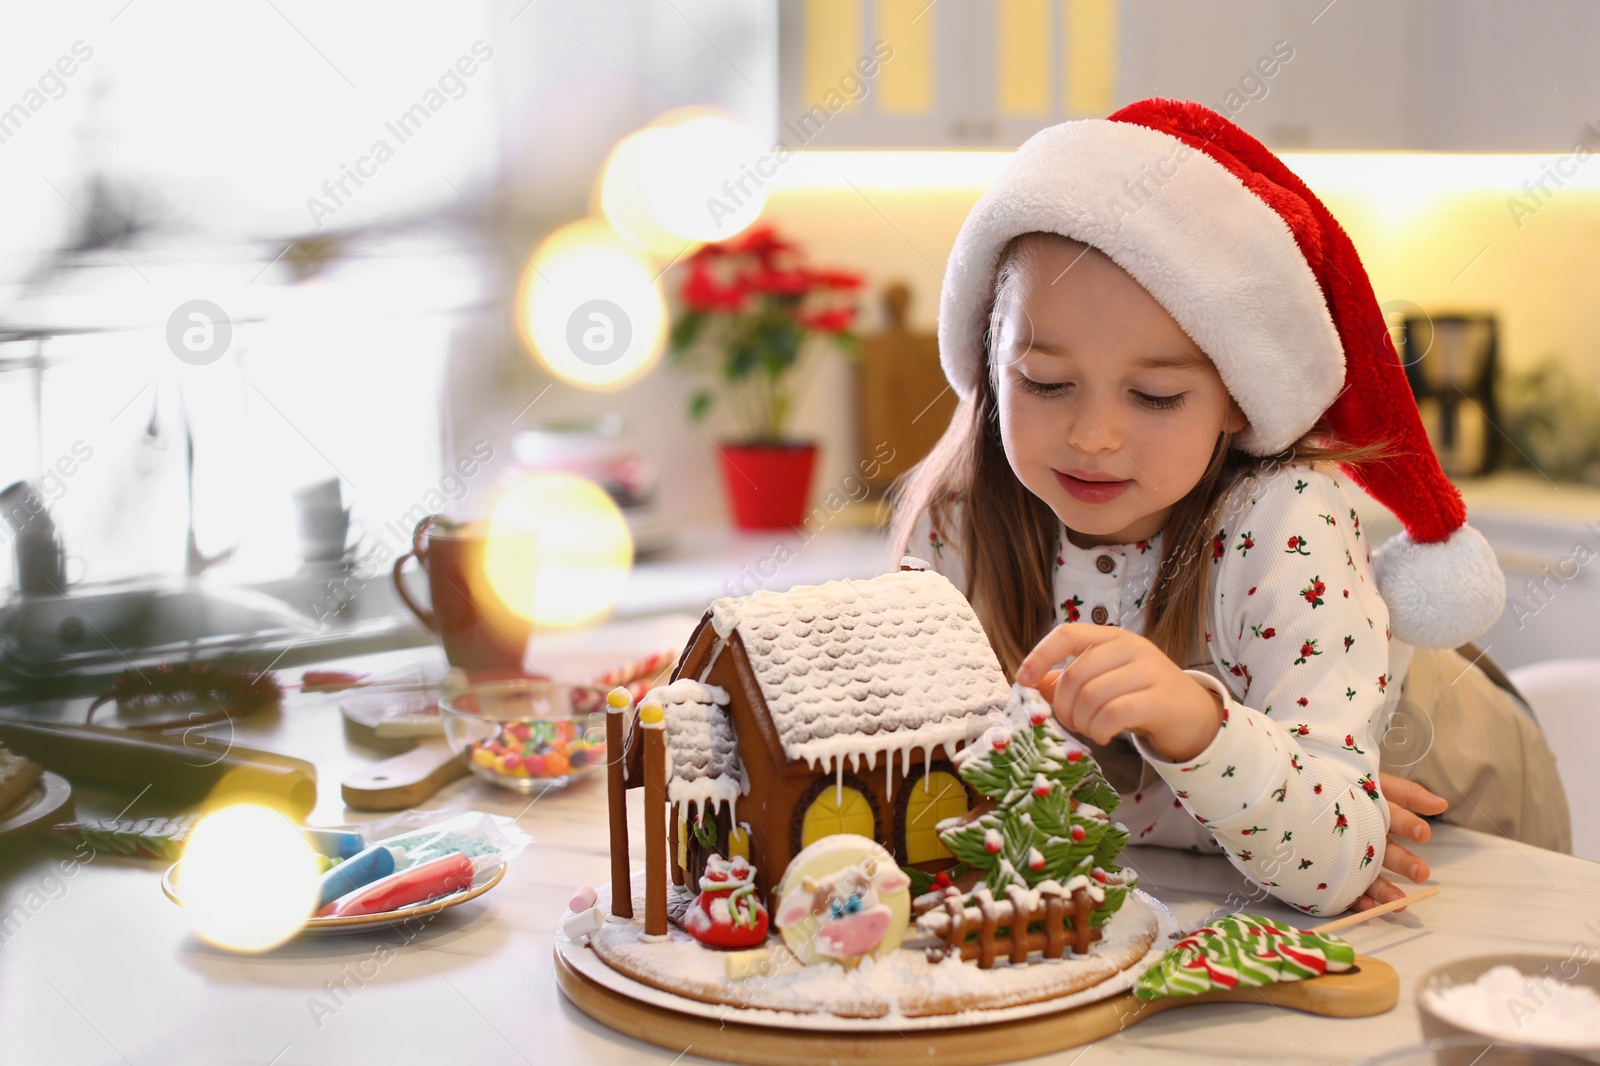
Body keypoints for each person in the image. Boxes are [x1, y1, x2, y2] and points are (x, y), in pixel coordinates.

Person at [893, 99, 1570, 916]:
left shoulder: (1288, 522)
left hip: (1463, 824)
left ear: (1238, 400)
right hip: (1257, 858)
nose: (1095, 436)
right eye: (1045, 383)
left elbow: (1333, 861)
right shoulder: (957, 519)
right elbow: (939, 795)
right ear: (988, 361)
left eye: (1155, 395)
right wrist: (1256, 812)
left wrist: (1212, 740)